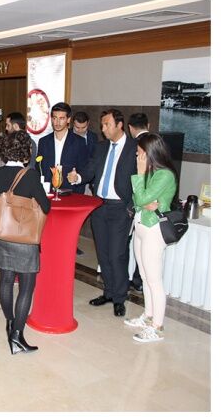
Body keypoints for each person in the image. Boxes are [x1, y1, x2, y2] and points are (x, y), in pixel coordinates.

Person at [68, 109, 138, 317]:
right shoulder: (101, 147)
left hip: (120, 208)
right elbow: (90, 170)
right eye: (102, 125)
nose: (103, 128)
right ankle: (108, 292)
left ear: (119, 125)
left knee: (117, 254)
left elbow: (141, 179)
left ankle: (120, 297)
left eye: (107, 124)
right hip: (99, 206)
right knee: (104, 253)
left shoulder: (134, 148)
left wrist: (131, 207)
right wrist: (78, 177)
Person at [0, 130, 50, 354]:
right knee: (26, 287)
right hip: (24, 239)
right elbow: (46, 206)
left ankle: (10, 321)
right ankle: (17, 336)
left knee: (5, 280)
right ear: (26, 151)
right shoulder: (30, 175)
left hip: (1, 234)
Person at [125, 133, 177, 342]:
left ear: (150, 153)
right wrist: (144, 199)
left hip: (154, 229)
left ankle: (158, 326)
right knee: (145, 276)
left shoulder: (165, 175)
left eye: (140, 153)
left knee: (154, 280)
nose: (137, 156)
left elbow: (141, 198)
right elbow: (137, 200)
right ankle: (148, 316)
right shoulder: (149, 172)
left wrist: (142, 192)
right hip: (140, 226)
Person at [37, 102, 88, 193]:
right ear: (51, 119)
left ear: (68, 119)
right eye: (55, 118)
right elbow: (39, 168)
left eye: (62, 118)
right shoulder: (43, 142)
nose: (57, 122)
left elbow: (84, 170)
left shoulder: (79, 142)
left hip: (70, 192)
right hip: (48, 191)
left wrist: (76, 180)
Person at [126, 112, 151, 291]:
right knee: (144, 245)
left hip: (133, 200)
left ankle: (128, 277)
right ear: (148, 125)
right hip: (152, 199)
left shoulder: (130, 145)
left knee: (128, 242)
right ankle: (139, 279)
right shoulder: (158, 143)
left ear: (130, 128)